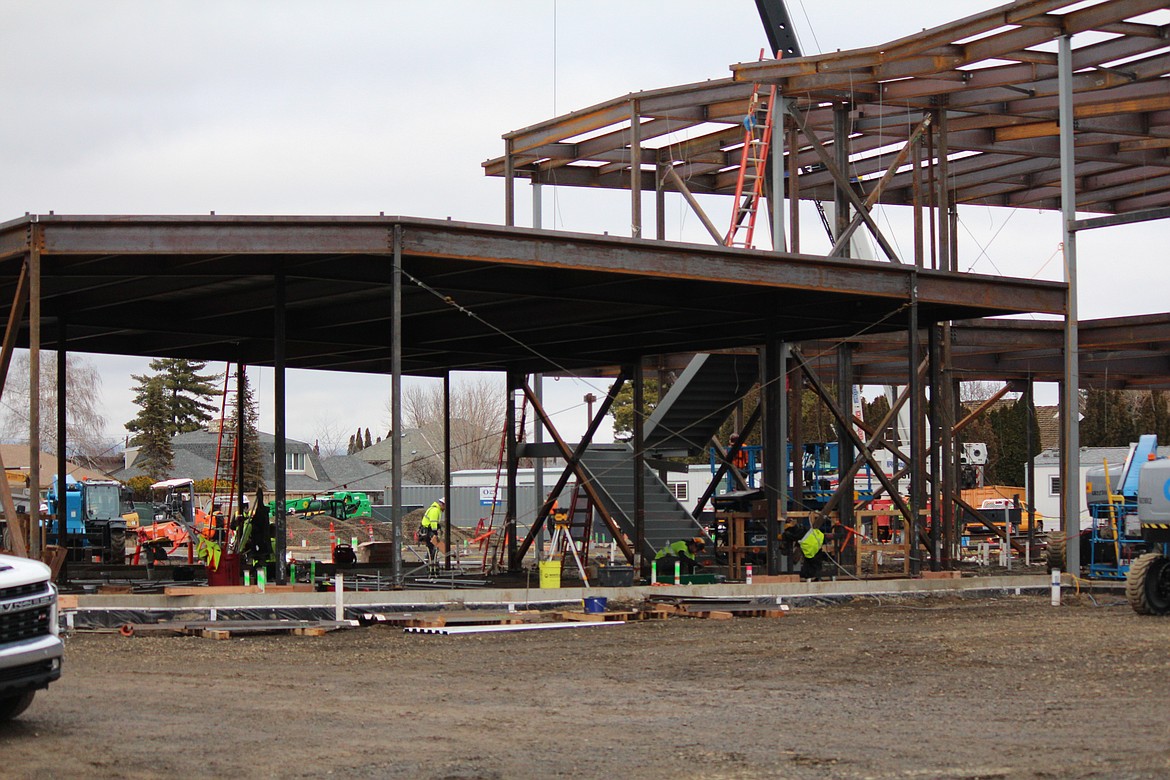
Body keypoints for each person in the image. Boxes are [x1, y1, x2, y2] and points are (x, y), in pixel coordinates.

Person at [420, 497, 445, 570]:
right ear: (443, 504)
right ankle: (430, 563)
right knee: (433, 546)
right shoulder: (435, 510)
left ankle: (429, 561)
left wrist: (438, 526)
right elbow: (433, 522)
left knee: (431, 547)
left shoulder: (434, 509)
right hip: (428, 530)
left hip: (426, 530)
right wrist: (435, 532)